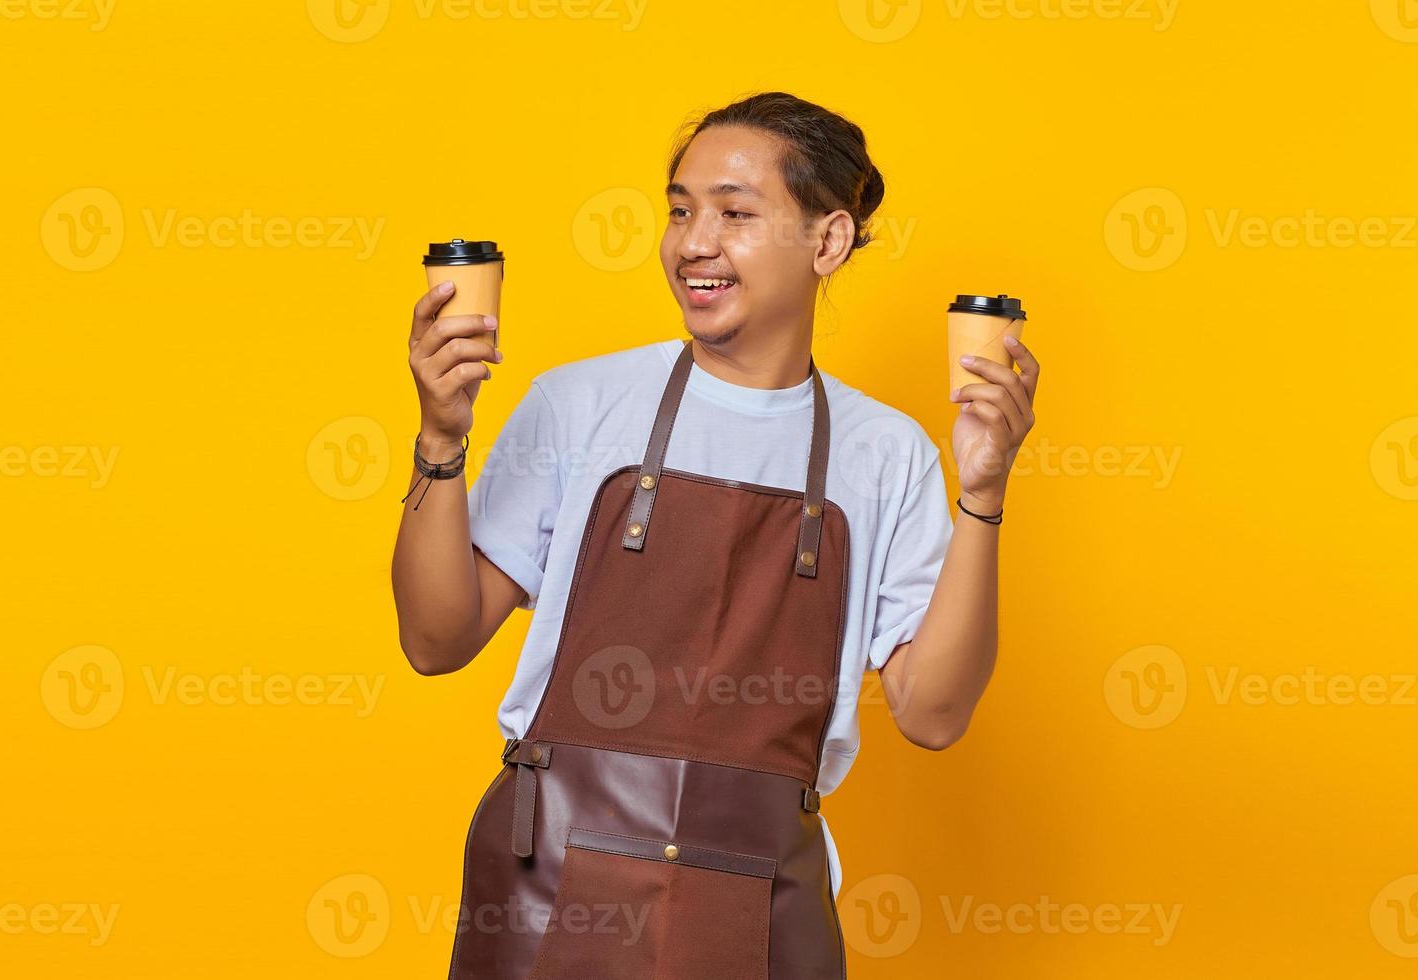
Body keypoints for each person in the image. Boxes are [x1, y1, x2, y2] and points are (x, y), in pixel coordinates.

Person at [392, 91, 1041, 979]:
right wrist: (440, 439)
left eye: (735, 213)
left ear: (829, 241)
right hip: (549, 874)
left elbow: (933, 713)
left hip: (761, 889)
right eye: (681, 210)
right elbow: (436, 639)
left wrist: (983, 494)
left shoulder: (887, 453)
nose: (694, 242)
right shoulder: (578, 403)